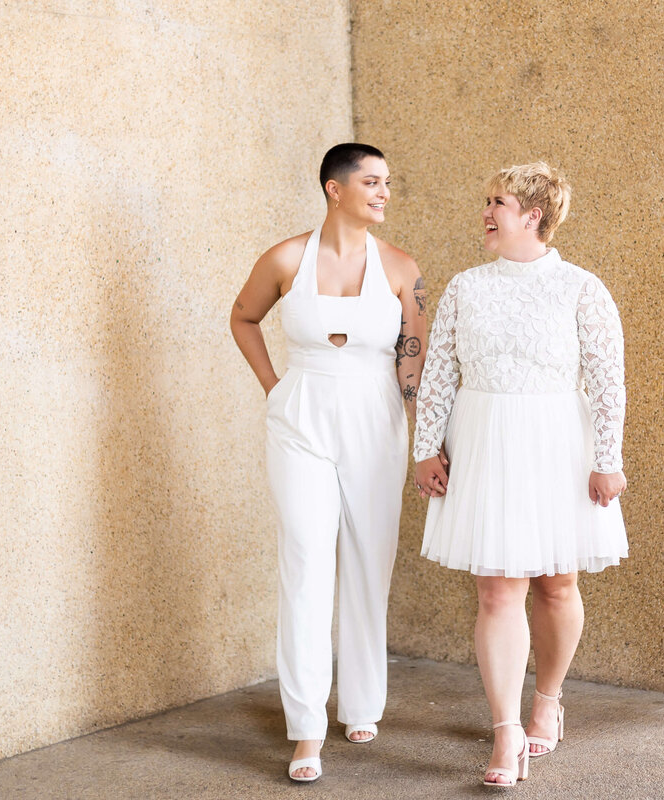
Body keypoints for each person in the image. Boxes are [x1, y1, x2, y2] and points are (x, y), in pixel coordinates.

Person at [412, 162, 627, 787]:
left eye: (497, 201)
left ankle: (548, 699)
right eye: (488, 199)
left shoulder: (583, 289)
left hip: (558, 443)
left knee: (556, 584)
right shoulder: (464, 287)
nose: (486, 210)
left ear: (532, 214)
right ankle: (505, 732)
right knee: (496, 589)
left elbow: (609, 379)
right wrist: (426, 448)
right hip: (484, 443)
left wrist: (607, 460)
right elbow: (440, 374)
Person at [230, 143, 427, 782]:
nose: (384, 193)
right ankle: (307, 727)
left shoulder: (401, 267)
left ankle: (363, 702)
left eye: (388, 183)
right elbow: (244, 316)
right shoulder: (287, 257)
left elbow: (414, 355)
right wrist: (274, 386)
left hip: (376, 419)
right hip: (302, 417)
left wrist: (420, 432)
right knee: (307, 558)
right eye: (372, 181)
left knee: (370, 555)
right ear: (333, 188)